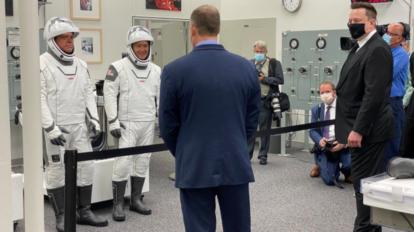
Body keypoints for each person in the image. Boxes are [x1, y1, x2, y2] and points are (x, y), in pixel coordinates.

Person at [159, 5, 260, 232]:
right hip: (235, 161)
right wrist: (238, 145)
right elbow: (252, 119)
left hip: (194, 163)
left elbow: (167, 124)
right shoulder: (246, 68)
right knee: (239, 227)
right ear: (218, 28)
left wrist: (185, 150)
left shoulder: (174, 71)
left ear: (192, 30)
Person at [41, 17, 108, 232]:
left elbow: (88, 93)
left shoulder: (81, 65)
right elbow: (38, 98)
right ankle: (61, 216)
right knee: (56, 170)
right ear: (52, 40)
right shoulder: (41, 64)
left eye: (71, 37)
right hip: (57, 129)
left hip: (80, 126)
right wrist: (50, 127)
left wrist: (95, 120)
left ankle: (84, 211)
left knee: (86, 167)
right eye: (64, 37)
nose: (70, 41)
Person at [335, 3, 393, 232]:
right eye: (349, 21)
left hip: (370, 130)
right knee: (364, 188)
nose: (351, 25)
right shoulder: (359, 47)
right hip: (358, 127)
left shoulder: (377, 49)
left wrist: (358, 129)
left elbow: (374, 95)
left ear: (371, 22)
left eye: (356, 21)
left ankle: (365, 228)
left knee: (364, 188)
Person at [104, 25, 161, 221]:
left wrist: (161, 120)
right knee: (123, 163)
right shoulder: (117, 67)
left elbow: (161, 97)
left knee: (143, 160)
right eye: (138, 46)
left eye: (145, 46)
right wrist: (113, 122)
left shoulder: (156, 70)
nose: (142, 50)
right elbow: (109, 94)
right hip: (127, 123)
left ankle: (136, 199)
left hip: (147, 122)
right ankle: (118, 204)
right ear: (131, 47)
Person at [248, 40, 284, 165]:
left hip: (265, 101)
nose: (258, 53)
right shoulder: (249, 63)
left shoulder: (273, 63)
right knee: (250, 129)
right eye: (257, 51)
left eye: (261, 52)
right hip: (251, 102)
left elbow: (280, 80)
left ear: (266, 51)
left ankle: (263, 155)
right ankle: (247, 155)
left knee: (264, 129)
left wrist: (265, 79)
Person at [309, 81, 351, 187]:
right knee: (330, 180)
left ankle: (348, 172)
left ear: (334, 92)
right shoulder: (316, 110)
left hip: (343, 144)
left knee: (350, 164)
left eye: (327, 91)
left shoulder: (345, 107)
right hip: (326, 146)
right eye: (322, 92)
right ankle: (319, 164)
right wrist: (320, 140)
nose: (325, 95)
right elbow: (312, 130)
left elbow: (353, 127)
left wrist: (344, 141)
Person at [382, 23, 409, 164]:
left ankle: (390, 172)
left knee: (393, 139)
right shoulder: (382, 51)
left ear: (400, 38)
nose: (388, 36)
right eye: (387, 32)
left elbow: (386, 74)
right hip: (380, 100)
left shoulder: (401, 54)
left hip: (393, 101)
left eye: (393, 34)